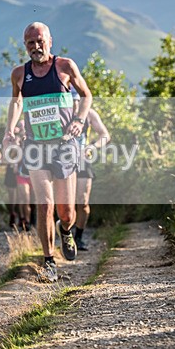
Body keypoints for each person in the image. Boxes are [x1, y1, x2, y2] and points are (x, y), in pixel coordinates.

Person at [3, 22, 91, 281]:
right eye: (31, 42)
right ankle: (49, 260)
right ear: (25, 45)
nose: (36, 46)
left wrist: (79, 120)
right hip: (35, 147)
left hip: (64, 145)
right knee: (45, 204)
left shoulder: (65, 66)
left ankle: (67, 231)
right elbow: (16, 101)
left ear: (50, 41)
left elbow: (86, 96)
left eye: (40, 41)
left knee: (66, 211)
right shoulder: (19, 73)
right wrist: (9, 129)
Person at [72, 90, 110, 250]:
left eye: (76, 101)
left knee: (83, 200)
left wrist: (93, 146)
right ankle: (65, 234)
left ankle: (78, 237)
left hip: (83, 161)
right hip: (62, 161)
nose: (74, 106)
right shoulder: (59, 113)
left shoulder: (89, 114)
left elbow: (105, 135)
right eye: (71, 101)